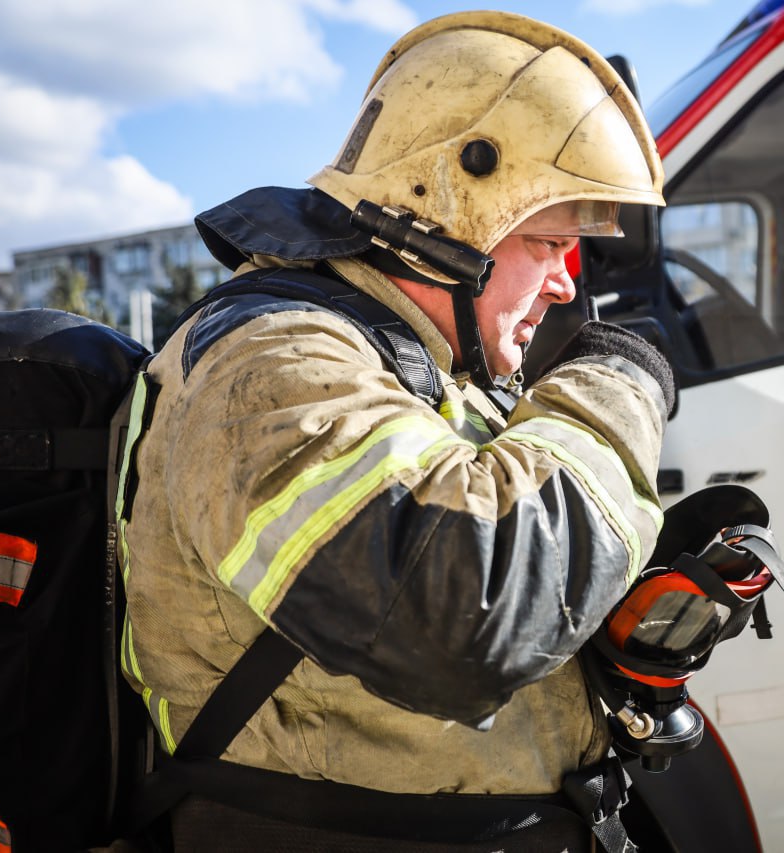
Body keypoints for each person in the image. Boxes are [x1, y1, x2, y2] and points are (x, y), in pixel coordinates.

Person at [117, 10, 673, 850]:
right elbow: (468, 614)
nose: (567, 284)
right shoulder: (271, 365)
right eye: (551, 242)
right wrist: (617, 383)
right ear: (446, 217)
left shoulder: (423, 366)